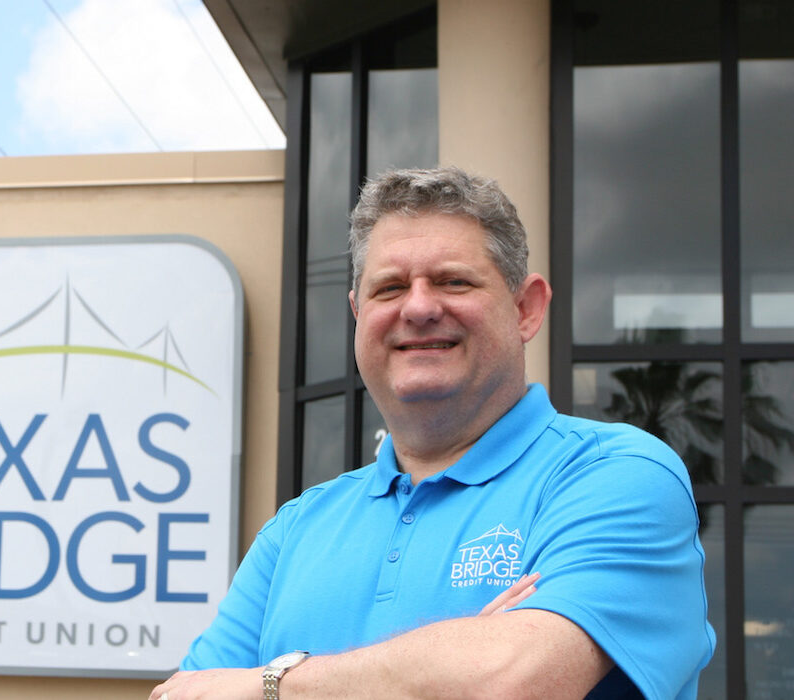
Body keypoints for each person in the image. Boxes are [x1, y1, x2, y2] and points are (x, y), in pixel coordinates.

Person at [150, 166, 715, 699]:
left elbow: (509, 681)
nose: (418, 307)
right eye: (389, 288)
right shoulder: (297, 528)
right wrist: (452, 661)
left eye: (453, 281)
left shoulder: (616, 475)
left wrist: (268, 684)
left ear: (525, 308)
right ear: (358, 315)